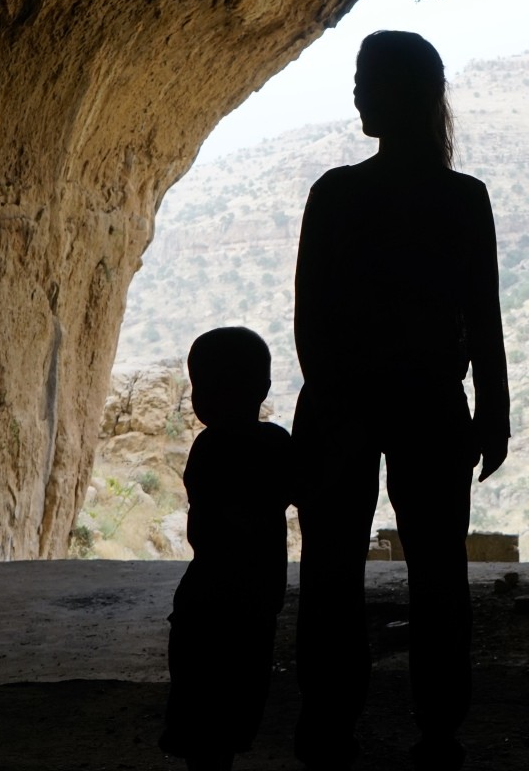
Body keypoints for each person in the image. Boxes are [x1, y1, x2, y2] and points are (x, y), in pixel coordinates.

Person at [292, 30, 510, 770]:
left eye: (367, 78)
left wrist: (332, 406)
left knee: (331, 571)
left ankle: (329, 720)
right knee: (438, 573)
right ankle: (440, 725)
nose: (356, 92)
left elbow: (310, 319)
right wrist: (493, 409)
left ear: (401, 91)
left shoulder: (337, 193)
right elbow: (482, 319)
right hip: (428, 403)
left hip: (342, 405)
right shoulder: (461, 198)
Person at [159, 327, 296, 771]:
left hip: (205, 595)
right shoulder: (276, 444)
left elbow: (203, 525)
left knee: (199, 691)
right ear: (264, 387)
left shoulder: (209, 446)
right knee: (241, 688)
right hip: (256, 599)